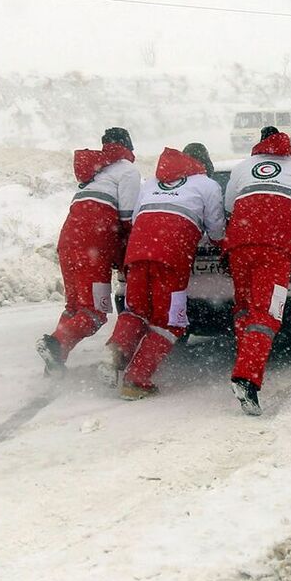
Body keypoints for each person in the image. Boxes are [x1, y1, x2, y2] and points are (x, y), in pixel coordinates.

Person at [106, 143, 224, 400]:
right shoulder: (207, 185)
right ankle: (136, 379)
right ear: (204, 165)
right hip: (171, 255)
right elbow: (217, 232)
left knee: (137, 309)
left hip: (137, 250)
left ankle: (116, 350)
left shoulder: (151, 182)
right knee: (170, 321)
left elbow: (137, 219)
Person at [222, 126, 291, 415]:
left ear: (258, 144)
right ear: (286, 144)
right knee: (267, 314)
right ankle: (246, 379)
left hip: (239, 246)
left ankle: (244, 360)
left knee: (244, 309)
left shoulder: (243, 167)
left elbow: (230, 208)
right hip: (275, 250)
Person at [37, 127, 141, 375]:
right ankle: (56, 344)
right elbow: (128, 218)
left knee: (74, 306)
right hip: (93, 245)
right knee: (95, 312)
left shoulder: (94, 172)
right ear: (129, 147)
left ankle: (56, 360)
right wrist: (125, 257)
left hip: (68, 240)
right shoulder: (127, 170)